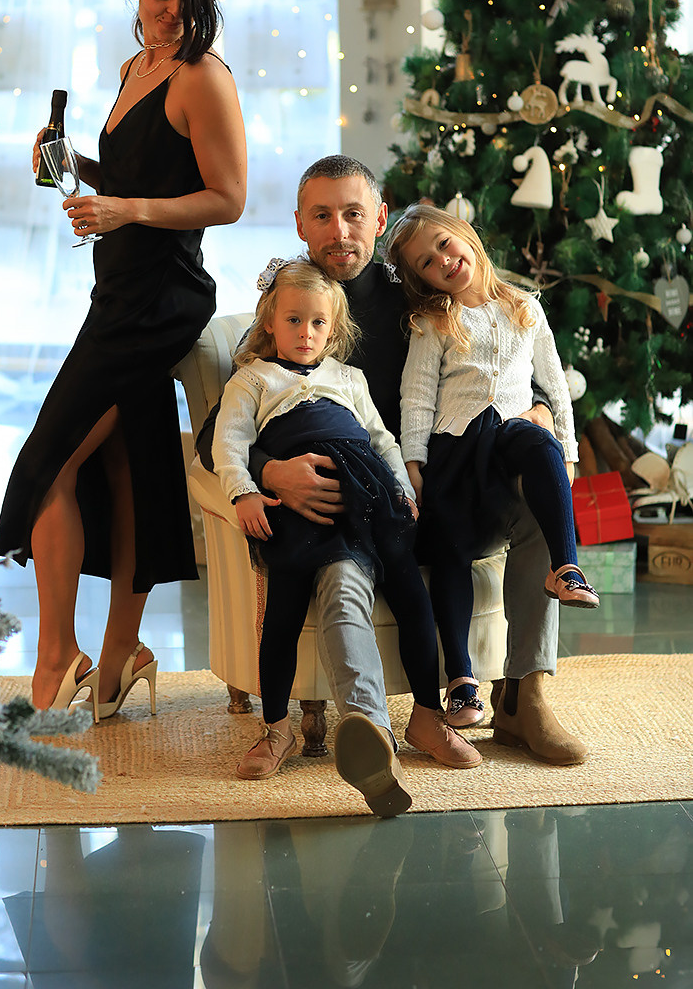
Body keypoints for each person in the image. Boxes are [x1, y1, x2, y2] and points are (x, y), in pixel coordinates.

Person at [197, 155, 589, 813]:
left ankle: (524, 695)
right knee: (346, 572)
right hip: (342, 509)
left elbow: (507, 349)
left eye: (353, 214)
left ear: (379, 220)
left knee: (537, 502)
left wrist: (544, 410)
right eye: (322, 216)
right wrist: (267, 472)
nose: (339, 231)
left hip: (437, 486)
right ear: (300, 224)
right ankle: (365, 723)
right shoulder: (289, 305)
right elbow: (221, 426)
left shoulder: (418, 293)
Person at [0, 0, 247, 720]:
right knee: (128, 465)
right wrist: (73, 166)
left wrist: (125, 208)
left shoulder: (203, 76)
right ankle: (120, 656)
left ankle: (57, 655)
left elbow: (227, 199)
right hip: (119, 290)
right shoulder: (138, 66)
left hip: (162, 299)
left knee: (48, 463)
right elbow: (140, 175)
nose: (174, 10)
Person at [212, 258, 479, 804]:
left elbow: (380, 438)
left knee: (411, 594)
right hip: (300, 507)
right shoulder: (252, 379)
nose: (305, 333)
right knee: (282, 611)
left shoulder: (348, 377)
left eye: (318, 323)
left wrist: (403, 487)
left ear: (333, 329)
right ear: (270, 322)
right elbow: (228, 443)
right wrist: (243, 492)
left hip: (371, 493)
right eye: (293, 320)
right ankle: (277, 728)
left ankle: (426, 715)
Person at [383, 203, 598, 731]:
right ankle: (462, 681)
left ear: (464, 235)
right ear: (422, 280)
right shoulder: (434, 322)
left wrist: (569, 452)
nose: (442, 260)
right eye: (427, 262)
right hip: (456, 446)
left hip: (510, 435)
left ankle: (566, 568)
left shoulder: (525, 307)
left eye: (443, 244)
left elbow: (556, 385)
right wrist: (414, 464)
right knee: (451, 547)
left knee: (539, 439)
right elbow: (417, 397)